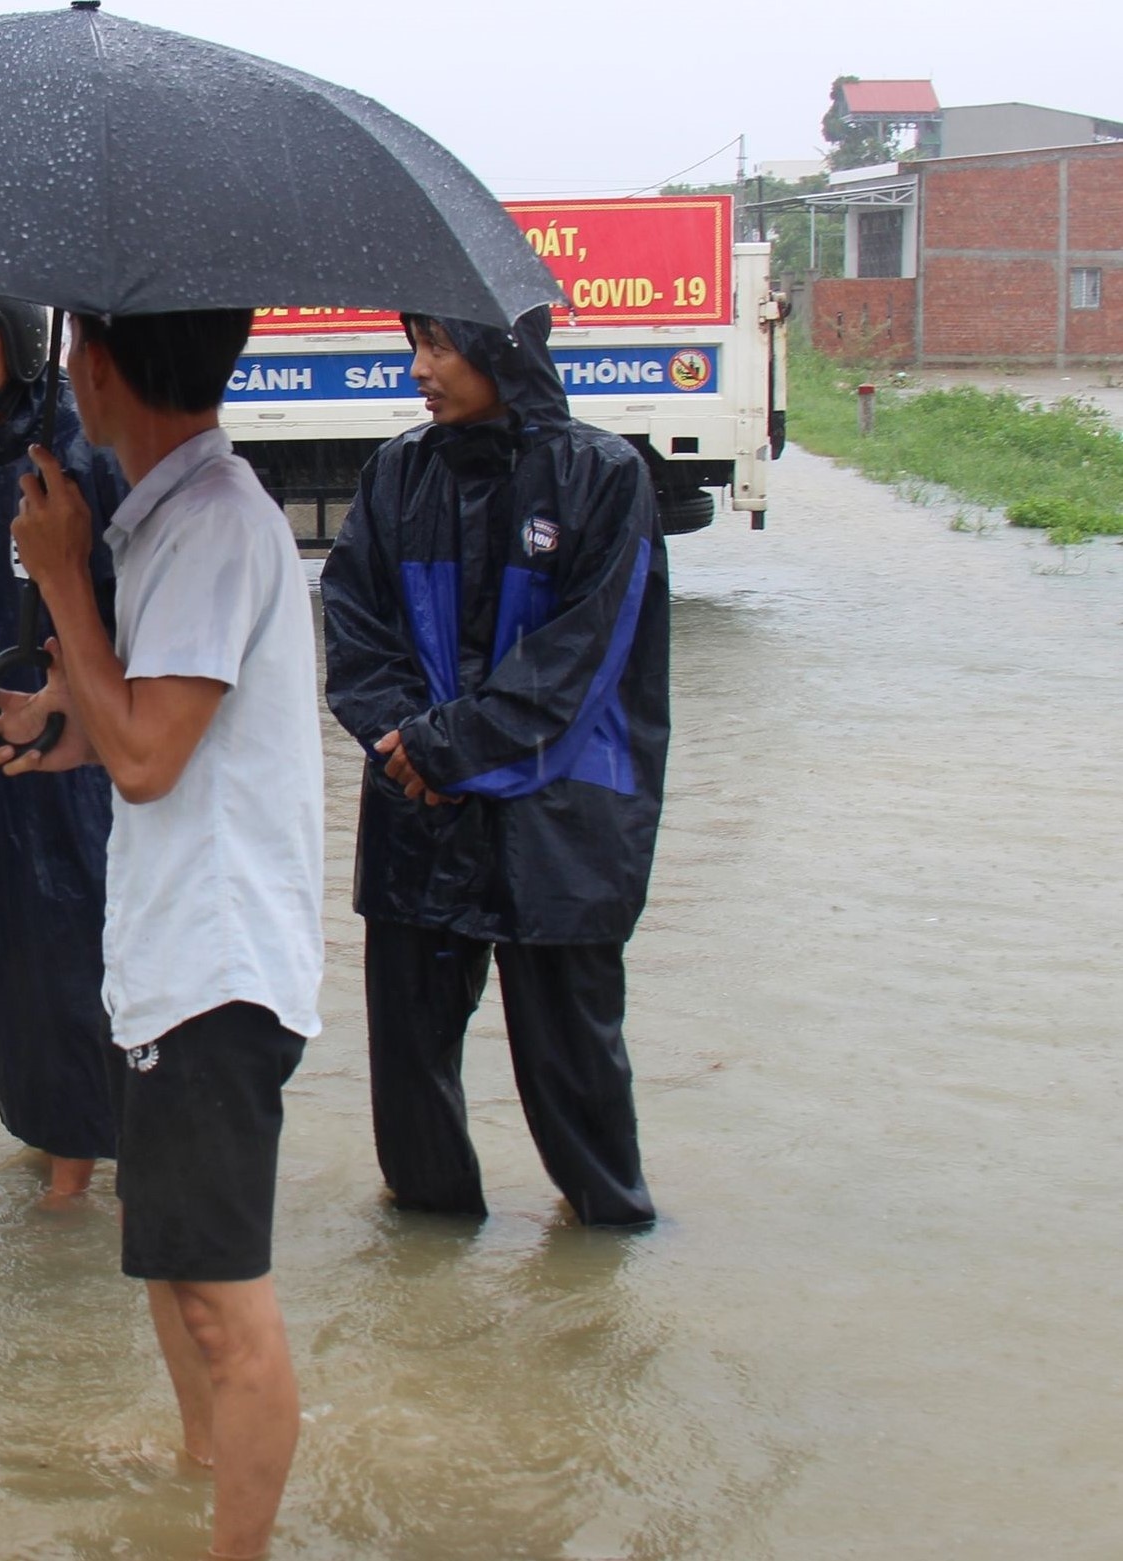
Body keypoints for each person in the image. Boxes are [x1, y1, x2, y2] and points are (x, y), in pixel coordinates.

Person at [0, 307, 323, 1561]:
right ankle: (196, 1494)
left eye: (76, 353)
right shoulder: (174, 516)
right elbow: (145, 728)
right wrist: (57, 724)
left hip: (216, 969)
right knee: (178, 1275)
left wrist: (60, 576)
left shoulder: (214, 523)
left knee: (222, 1303)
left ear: (102, 364)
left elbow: (151, 761)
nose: (68, 372)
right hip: (175, 959)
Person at [318, 309, 667, 1230]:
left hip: (562, 823)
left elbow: (581, 660)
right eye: (415, 347)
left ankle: (609, 1241)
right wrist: (406, 745)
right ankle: (429, 1269)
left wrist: (439, 750)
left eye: (442, 348)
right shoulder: (399, 474)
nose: (421, 370)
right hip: (417, 814)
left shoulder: (603, 476)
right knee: (410, 1068)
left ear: (503, 352)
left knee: (575, 1069)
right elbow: (355, 626)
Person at [0, 288, 129, 1200]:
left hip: (66, 748)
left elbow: (126, 611)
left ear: (16, 336)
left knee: (66, 946)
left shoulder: (72, 450)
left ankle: (76, 1176)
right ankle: (53, 1138)